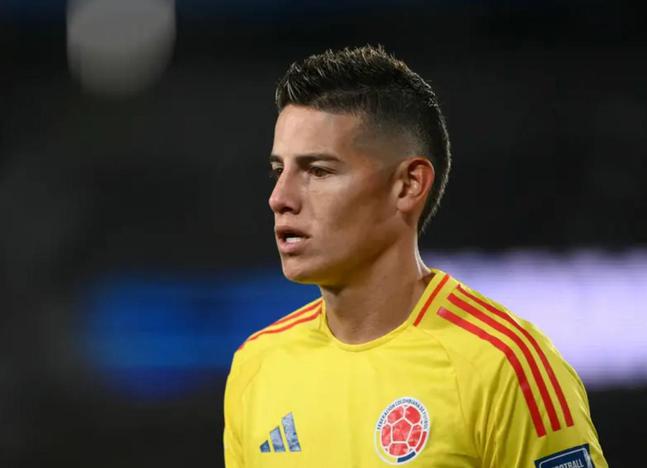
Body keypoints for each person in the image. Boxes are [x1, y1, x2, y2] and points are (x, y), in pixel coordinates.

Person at [223, 45, 607, 467]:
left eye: (318, 171)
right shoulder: (257, 367)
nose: (279, 198)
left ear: (408, 185)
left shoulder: (507, 367)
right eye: (279, 171)